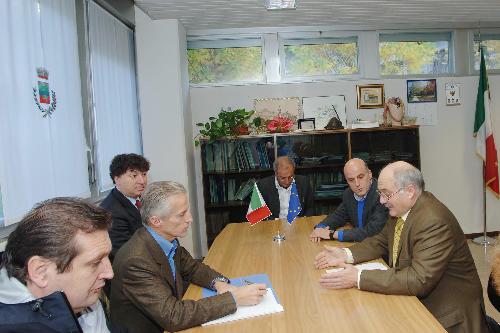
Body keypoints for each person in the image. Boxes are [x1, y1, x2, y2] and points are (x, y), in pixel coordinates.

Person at [314, 161, 489, 333]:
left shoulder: (433, 221)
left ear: (410, 191)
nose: (382, 200)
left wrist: (358, 277)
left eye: (386, 194)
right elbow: (381, 241)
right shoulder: (403, 208)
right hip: (419, 299)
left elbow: (419, 279)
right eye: (380, 193)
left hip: (448, 314)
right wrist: (345, 254)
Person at [110, 181, 267, 333]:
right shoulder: (136, 261)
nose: (190, 219)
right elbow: (173, 316)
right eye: (181, 214)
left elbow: (192, 267)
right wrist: (233, 298)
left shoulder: (166, 237)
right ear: (156, 221)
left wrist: (219, 284)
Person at [0, 197, 115, 332]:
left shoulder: (81, 301)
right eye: (95, 263)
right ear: (40, 272)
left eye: (108, 257)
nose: (110, 273)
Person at [309, 158, 388, 242]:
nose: (357, 184)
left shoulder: (382, 195)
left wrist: (332, 234)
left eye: (360, 177)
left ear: (369, 174)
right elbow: (338, 216)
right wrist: (320, 228)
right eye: (351, 180)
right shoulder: (348, 194)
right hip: (359, 244)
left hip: (379, 247)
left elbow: (371, 231)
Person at [101, 153, 150, 260]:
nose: (142, 181)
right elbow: (124, 253)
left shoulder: (141, 198)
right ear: (117, 179)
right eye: (134, 176)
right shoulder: (110, 212)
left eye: (144, 174)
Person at [256, 156, 314, 220]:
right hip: (274, 224)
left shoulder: (304, 182)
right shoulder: (262, 185)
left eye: (290, 177)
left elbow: (310, 208)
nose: (287, 182)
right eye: (283, 178)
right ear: (276, 173)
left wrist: (303, 219)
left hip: (298, 223)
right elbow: (258, 213)